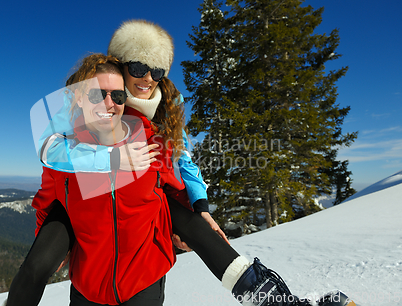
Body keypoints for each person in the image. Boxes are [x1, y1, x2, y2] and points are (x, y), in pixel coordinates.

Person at [31, 20, 351, 306]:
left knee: (202, 234)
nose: (148, 79)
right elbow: (49, 149)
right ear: (120, 65)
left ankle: (275, 301)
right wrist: (108, 159)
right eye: (140, 68)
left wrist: (200, 206)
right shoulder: (91, 97)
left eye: (157, 71)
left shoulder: (167, 106)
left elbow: (183, 157)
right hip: (94, 251)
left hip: (146, 237)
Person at [10, 54, 190, 306]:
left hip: (144, 278)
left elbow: (174, 189)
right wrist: (52, 249)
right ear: (81, 98)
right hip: (89, 284)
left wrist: (190, 223)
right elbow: (49, 203)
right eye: (97, 95)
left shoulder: (150, 142)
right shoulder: (65, 155)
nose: (109, 103)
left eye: (117, 96)